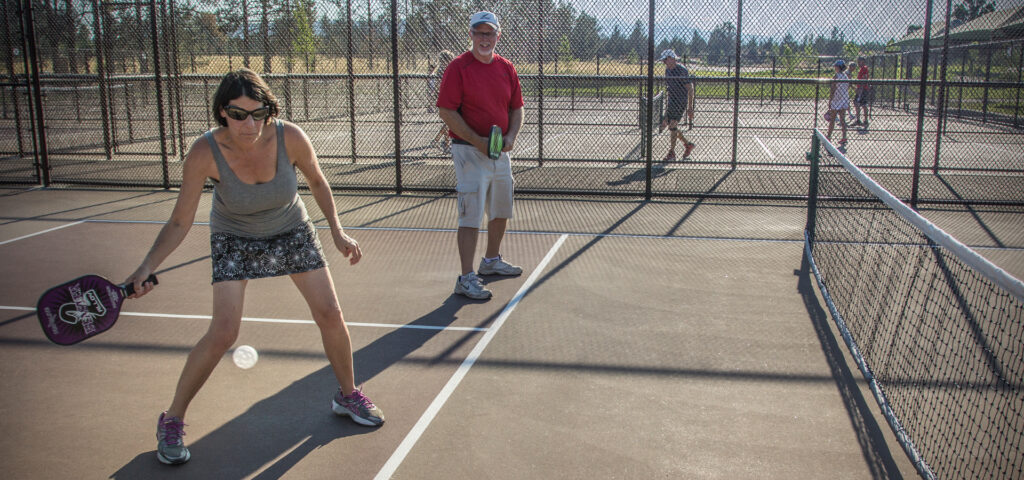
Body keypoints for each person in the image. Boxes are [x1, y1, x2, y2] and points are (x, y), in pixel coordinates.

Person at [125, 68, 384, 466]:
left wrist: (337, 231)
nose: (249, 123)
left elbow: (317, 181)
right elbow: (180, 221)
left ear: (268, 109)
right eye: (238, 113)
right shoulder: (204, 152)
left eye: (257, 113)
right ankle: (172, 419)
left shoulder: (290, 137)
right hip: (234, 236)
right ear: (222, 113)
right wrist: (145, 266)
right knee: (224, 332)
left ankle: (347, 394)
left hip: (290, 227)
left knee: (330, 314)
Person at [436, 11, 524, 300]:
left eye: (490, 33)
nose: (484, 38)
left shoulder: (506, 67)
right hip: (468, 152)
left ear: (498, 36)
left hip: (499, 152)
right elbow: (446, 110)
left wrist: (510, 137)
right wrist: (477, 141)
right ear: (471, 35)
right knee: (470, 215)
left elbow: (516, 107)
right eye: (479, 33)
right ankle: (466, 277)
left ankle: (491, 261)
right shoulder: (458, 68)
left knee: (501, 209)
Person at [657, 49, 696, 161]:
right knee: (668, 125)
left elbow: (690, 89)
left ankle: (672, 153)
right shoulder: (667, 71)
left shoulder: (681, 70)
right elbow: (669, 89)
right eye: (664, 61)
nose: (665, 63)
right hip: (672, 101)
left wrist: (690, 107)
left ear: (672, 58)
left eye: (666, 60)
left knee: (673, 125)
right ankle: (688, 144)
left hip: (680, 102)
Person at [430, 50, 456, 154]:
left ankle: (437, 140)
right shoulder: (442, 70)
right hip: (444, 98)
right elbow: (438, 87)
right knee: (448, 121)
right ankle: (445, 143)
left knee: (448, 122)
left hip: (449, 98)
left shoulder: (448, 69)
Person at [825, 59, 850, 150]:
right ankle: (844, 136)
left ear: (838, 67)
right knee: (842, 119)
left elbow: (833, 89)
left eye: (835, 66)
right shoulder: (845, 76)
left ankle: (829, 136)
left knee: (832, 118)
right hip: (844, 98)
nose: (834, 67)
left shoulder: (836, 76)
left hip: (837, 99)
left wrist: (830, 100)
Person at [851, 56, 871, 129]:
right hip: (861, 89)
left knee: (862, 104)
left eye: (859, 61)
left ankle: (864, 120)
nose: (858, 63)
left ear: (863, 61)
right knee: (858, 103)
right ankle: (859, 119)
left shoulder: (864, 68)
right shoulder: (861, 69)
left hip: (863, 89)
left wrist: (860, 89)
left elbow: (864, 78)